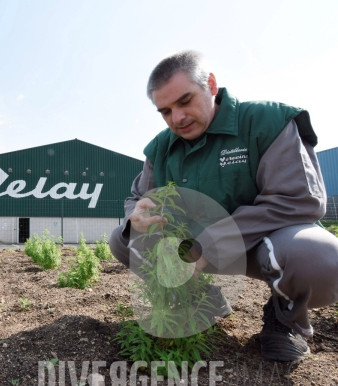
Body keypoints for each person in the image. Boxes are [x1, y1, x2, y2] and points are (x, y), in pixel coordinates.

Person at [109, 50, 338, 362]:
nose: (177, 118)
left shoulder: (265, 122)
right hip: (193, 253)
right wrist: (135, 216)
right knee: (124, 239)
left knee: (320, 259)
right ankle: (204, 300)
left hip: (263, 247)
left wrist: (210, 244)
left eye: (185, 101)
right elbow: (137, 198)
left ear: (211, 85)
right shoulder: (161, 148)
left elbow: (299, 199)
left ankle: (283, 321)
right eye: (165, 111)